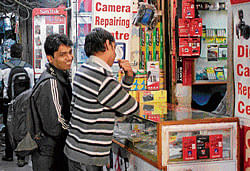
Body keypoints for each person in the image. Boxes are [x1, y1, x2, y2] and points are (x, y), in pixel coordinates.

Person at [64, 27, 139, 170]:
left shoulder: (82, 71)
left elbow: (116, 106)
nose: (115, 54)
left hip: (74, 150)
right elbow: (131, 108)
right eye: (114, 47)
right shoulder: (102, 78)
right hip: (89, 156)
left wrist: (128, 78)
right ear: (107, 44)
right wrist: (128, 78)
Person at [31, 34, 73, 171]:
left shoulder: (60, 77)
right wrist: (77, 131)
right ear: (50, 58)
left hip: (53, 151)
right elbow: (55, 124)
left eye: (70, 52)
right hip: (49, 153)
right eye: (63, 54)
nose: (69, 58)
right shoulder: (51, 82)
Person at [0, 43, 34, 167]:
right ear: (21, 53)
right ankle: (22, 155)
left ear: (10, 53)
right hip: (24, 103)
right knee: (22, 127)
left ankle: (9, 154)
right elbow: (32, 87)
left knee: (8, 127)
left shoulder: (3, 68)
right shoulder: (29, 68)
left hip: (8, 102)